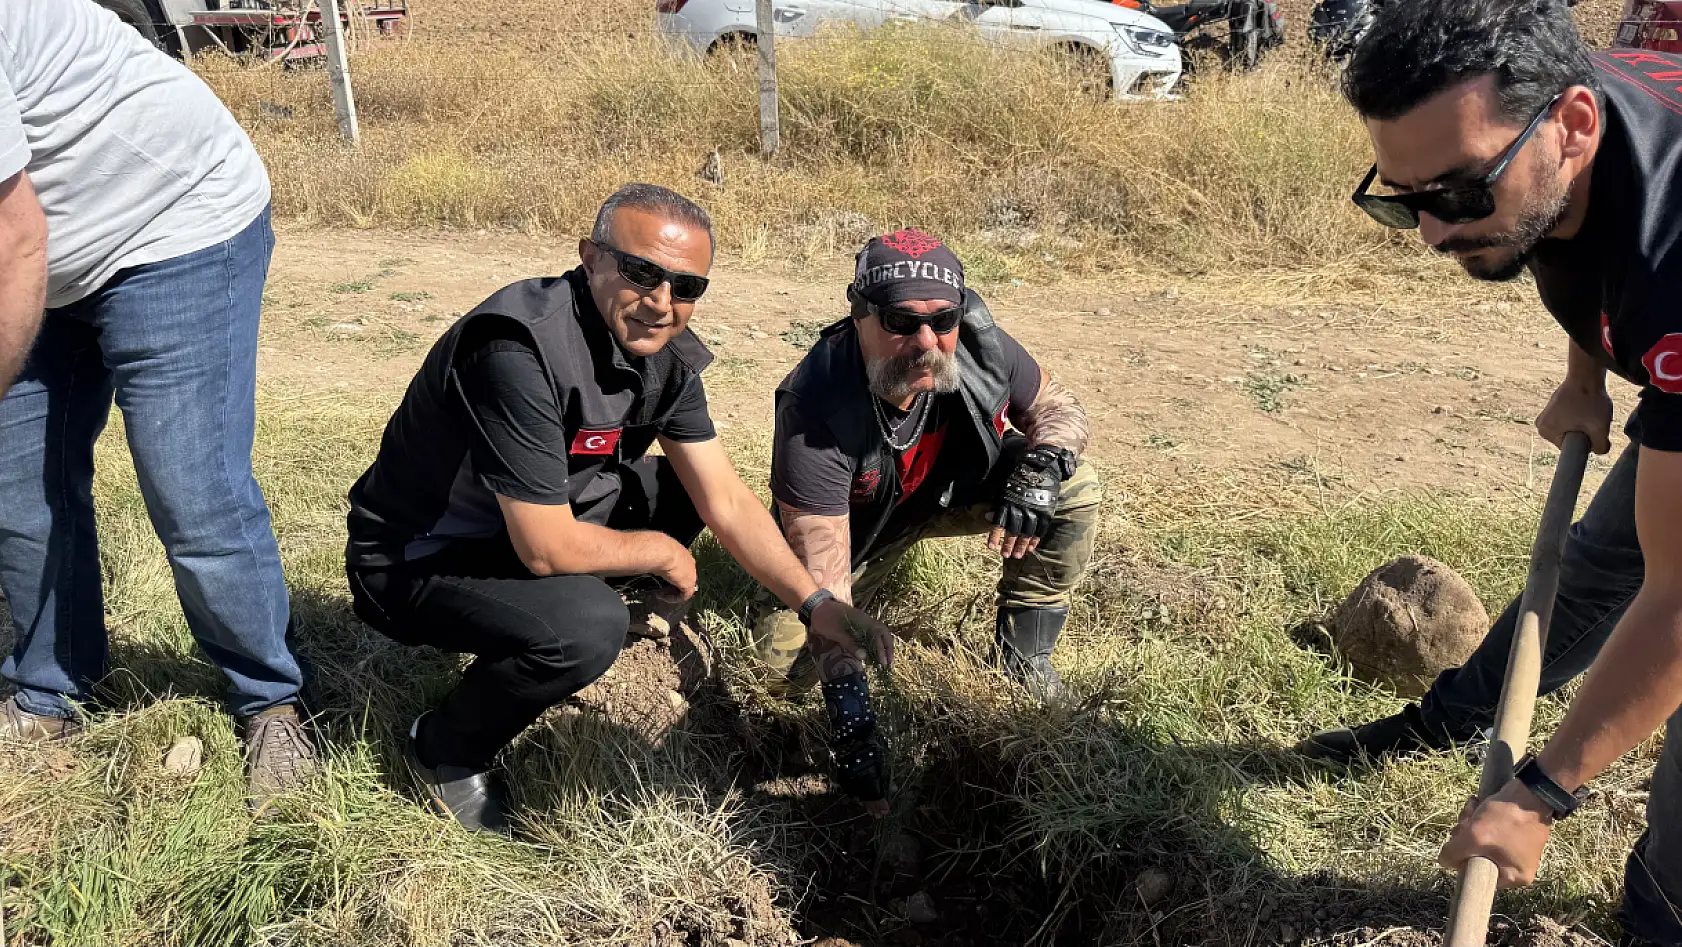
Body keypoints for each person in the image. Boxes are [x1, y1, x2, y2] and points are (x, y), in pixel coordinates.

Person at [1297, 0, 1682, 940]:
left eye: (1459, 196)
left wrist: (1543, 789)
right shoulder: (1551, 115)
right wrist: (1584, 374)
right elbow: (1573, 229)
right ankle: (1445, 723)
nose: (1430, 231)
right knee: (1600, 561)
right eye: (1403, 199)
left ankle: (1662, 913)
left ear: (1574, 128)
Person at [344, 183, 894, 834]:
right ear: (590, 258)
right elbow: (545, 546)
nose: (662, 302)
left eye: (687, 287)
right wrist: (658, 552)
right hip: (414, 558)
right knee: (587, 628)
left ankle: (547, 623)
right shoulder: (514, 348)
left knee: (671, 490)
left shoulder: (665, 356)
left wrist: (818, 604)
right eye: (641, 272)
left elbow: (725, 499)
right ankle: (444, 747)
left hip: (520, 522)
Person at [0, 0, 314, 805]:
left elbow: (16, 240)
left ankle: (269, 698)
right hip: (50, 247)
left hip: (173, 220)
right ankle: (49, 690)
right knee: (18, 489)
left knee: (191, 487)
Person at [752, 229, 1098, 814]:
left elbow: (1059, 406)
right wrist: (852, 721)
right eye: (898, 320)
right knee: (778, 678)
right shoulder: (816, 409)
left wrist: (1041, 463)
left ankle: (1024, 653)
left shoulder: (979, 344)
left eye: (943, 321)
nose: (924, 342)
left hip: (945, 492)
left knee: (1074, 485)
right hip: (856, 531)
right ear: (858, 314)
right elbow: (824, 577)